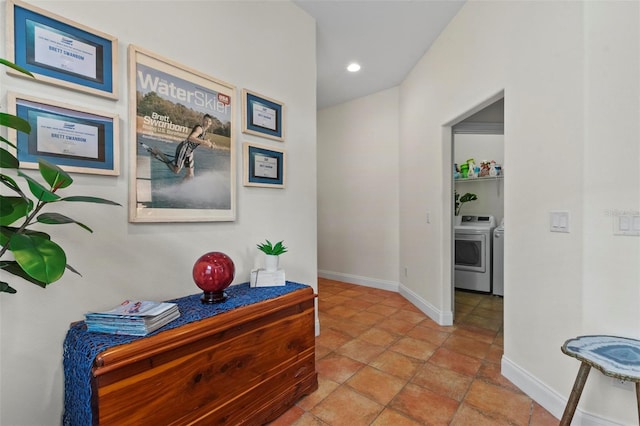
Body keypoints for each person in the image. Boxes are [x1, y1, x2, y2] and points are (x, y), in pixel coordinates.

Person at [170, 114, 215, 179]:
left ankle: (181, 188)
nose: (207, 123)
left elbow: (197, 142)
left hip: (189, 152)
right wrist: (204, 142)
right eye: (206, 121)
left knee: (190, 174)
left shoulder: (204, 132)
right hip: (184, 148)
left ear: (211, 123)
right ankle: (158, 153)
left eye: (209, 121)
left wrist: (209, 144)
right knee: (176, 170)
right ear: (203, 120)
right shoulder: (199, 129)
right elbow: (190, 138)